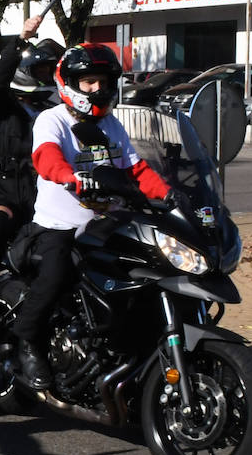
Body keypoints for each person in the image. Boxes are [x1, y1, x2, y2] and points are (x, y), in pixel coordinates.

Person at [16, 43, 172, 389]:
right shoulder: (51, 119)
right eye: (88, 82)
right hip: (60, 226)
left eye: (102, 81)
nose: (97, 89)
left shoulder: (111, 124)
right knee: (55, 276)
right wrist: (71, 177)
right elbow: (46, 157)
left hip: (106, 225)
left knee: (147, 273)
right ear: (70, 83)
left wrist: (171, 195)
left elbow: (136, 169)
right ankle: (28, 342)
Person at [0, 19, 58, 337]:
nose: (46, 77)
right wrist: (20, 40)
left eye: (49, 72)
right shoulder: (0, 106)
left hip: (41, 196)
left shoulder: (52, 110)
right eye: (41, 71)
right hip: (3, 192)